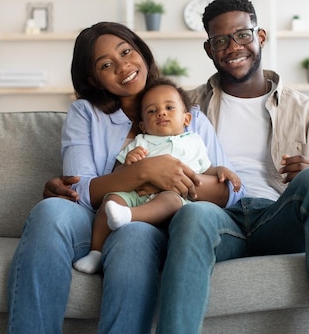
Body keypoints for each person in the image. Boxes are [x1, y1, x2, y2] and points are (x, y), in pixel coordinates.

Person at [44, 0, 309, 333]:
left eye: (243, 35)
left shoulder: (306, 111)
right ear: (209, 50)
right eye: (221, 40)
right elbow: (143, 156)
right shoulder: (182, 104)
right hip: (218, 218)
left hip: (278, 214)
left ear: (260, 36)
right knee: (193, 212)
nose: (234, 47)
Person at [6, 21, 244, 334]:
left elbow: (231, 192)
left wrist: (171, 183)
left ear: (142, 53)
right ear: (94, 78)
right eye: (107, 65)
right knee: (50, 211)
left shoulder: (188, 114)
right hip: (96, 218)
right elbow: (81, 187)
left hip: (166, 221)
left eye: (127, 52)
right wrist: (144, 171)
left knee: (133, 235)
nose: (124, 66)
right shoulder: (86, 114)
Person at [73, 77, 242, 274]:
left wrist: (221, 170)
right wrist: (129, 162)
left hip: (174, 199)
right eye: (152, 111)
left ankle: (129, 217)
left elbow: (205, 169)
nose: (161, 112)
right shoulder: (141, 141)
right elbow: (117, 175)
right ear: (143, 125)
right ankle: (96, 252)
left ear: (186, 119)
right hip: (137, 195)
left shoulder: (193, 142)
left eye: (169, 107)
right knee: (111, 199)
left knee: (170, 199)